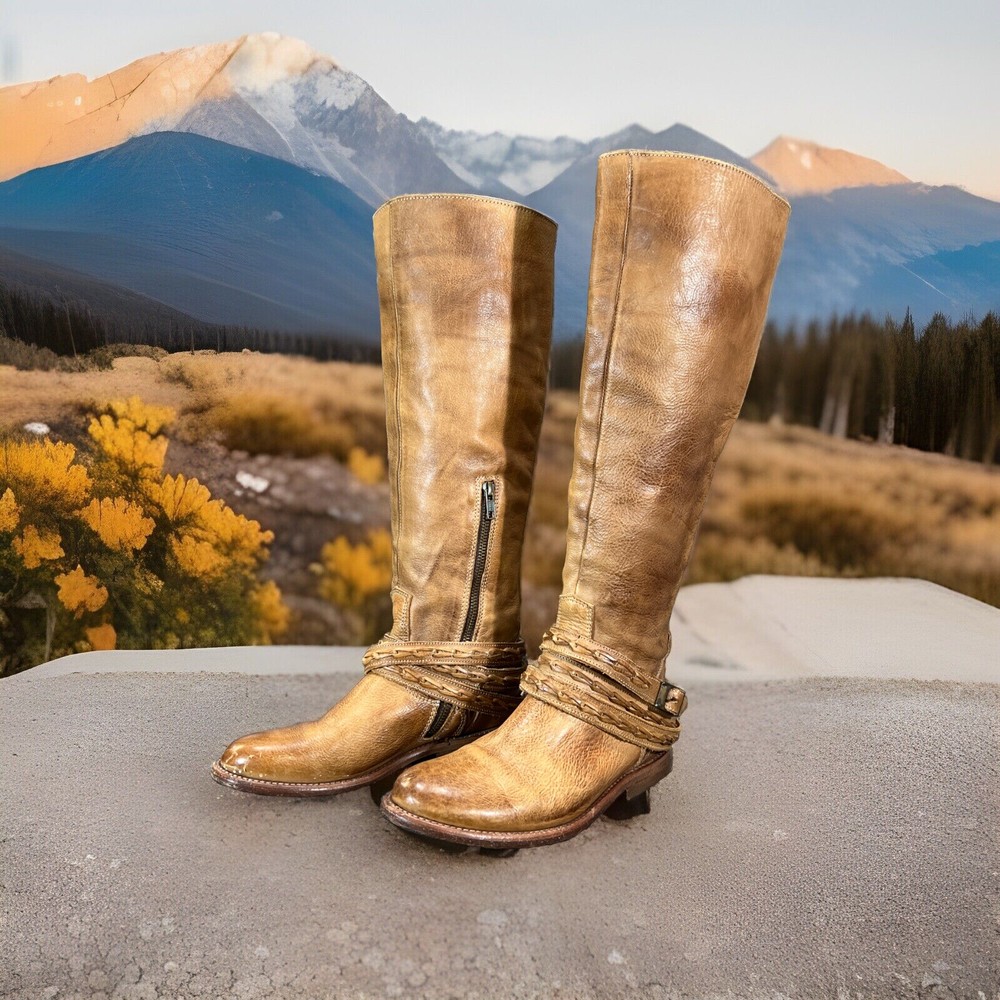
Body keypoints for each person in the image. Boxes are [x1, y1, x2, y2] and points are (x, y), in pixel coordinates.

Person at [213, 149, 790, 850]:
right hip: (451, 667)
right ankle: (451, 663)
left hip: (606, 694)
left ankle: (608, 691)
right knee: (450, 244)